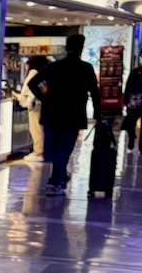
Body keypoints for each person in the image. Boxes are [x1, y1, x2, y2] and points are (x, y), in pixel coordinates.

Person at [31, 34, 101, 196]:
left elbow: (33, 83)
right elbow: (95, 93)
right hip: (73, 113)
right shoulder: (85, 68)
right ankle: (54, 181)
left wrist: (44, 98)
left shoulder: (54, 67)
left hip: (52, 113)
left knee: (55, 147)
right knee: (65, 147)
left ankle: (60, 176)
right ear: (81, 48)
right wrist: (98, 114)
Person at [17, 55, 49, 163]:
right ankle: (41, 150)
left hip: (35, 105)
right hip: (41, 105)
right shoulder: (43, 72)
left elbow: (30, 89)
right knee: (40, 129)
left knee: (36, 129)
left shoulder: (33, 72)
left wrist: (29, 102)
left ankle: (38, 151)